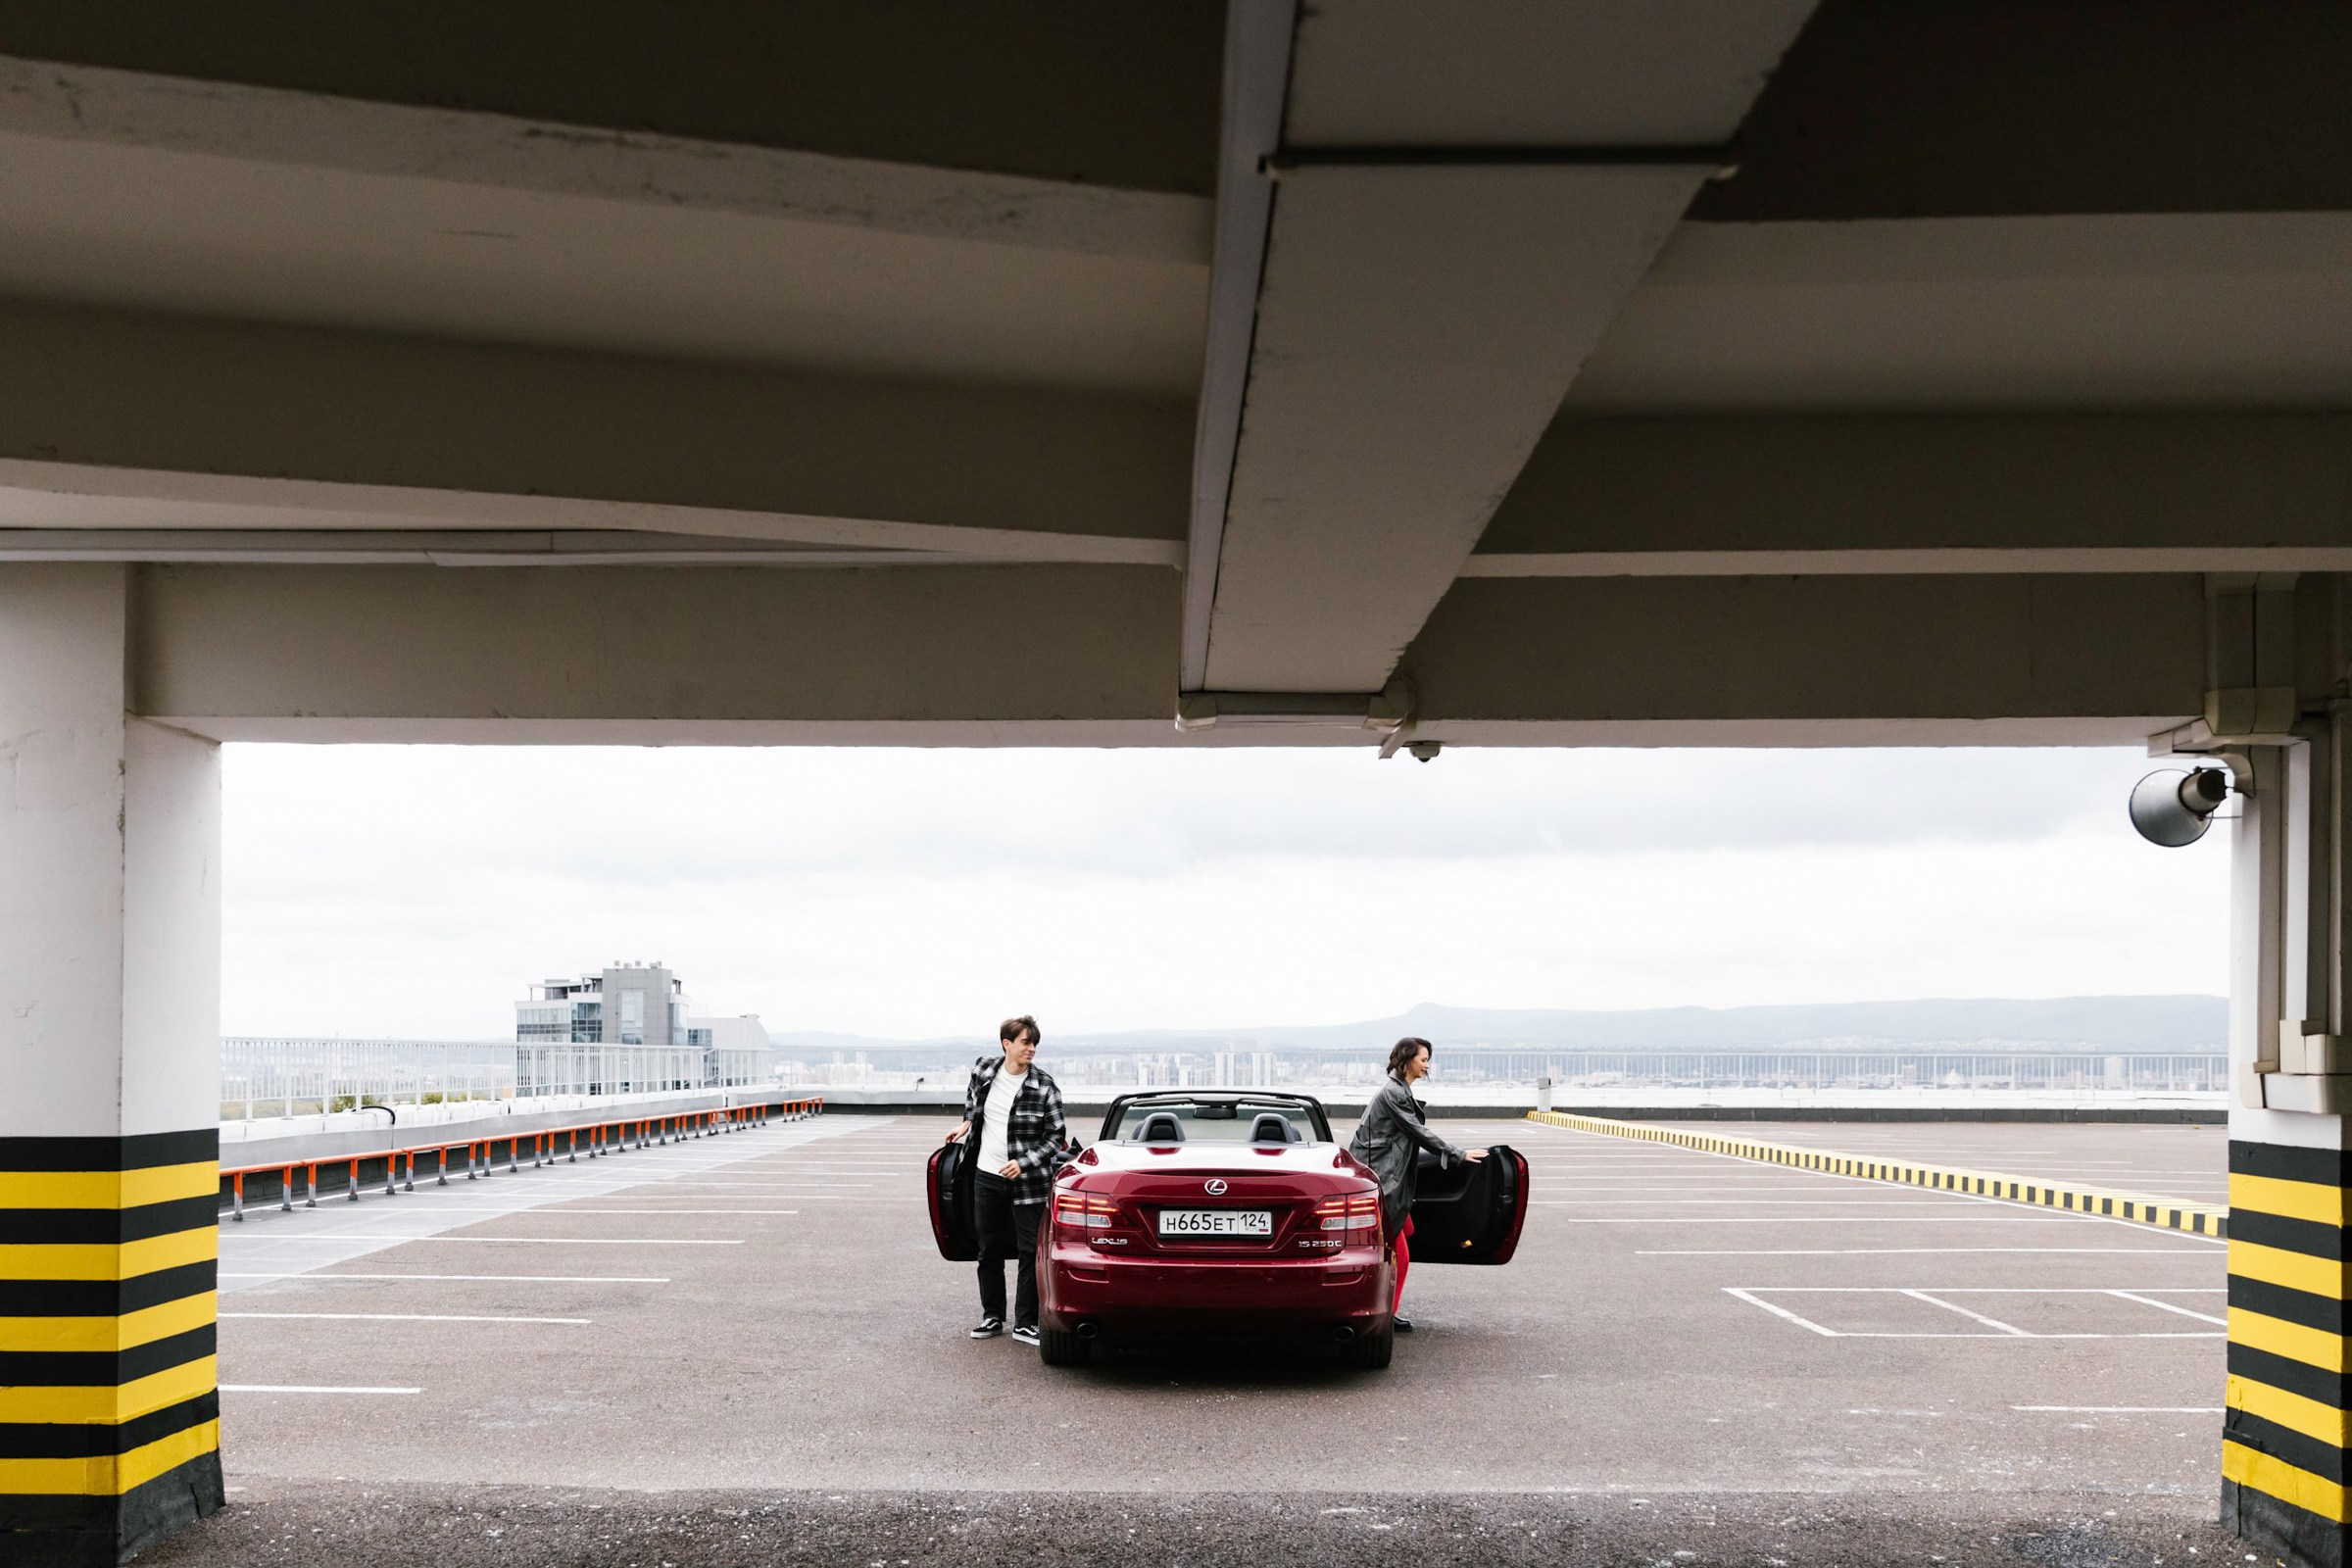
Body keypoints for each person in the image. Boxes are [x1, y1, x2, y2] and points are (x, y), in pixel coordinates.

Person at [943, 1014, 1066, 1347]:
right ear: (1006, 1044)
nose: (1032, 1048)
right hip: (986, 1176)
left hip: (1028, 1181)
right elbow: (973, 1100)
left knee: (1029, 1252)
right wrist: (967, 1124)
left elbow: (1056, 1138)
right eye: (1026, 1042)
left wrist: (1023, 1163)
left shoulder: (1044, 1086)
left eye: (1035, 1043)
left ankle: (1025, 1323)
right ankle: (992, 1316)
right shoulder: (984, 1069)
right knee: (989, 1250)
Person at [1348, 1036, 1485, 1334]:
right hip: (1382, 1180)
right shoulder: (1394, 1093)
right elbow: (1418, 1131)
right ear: (1407, 1059)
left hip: (1385, 1176)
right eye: (1423, 1060)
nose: (1427, 1066)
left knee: (1406, 1230)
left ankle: (1385, 1306)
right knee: (1402, 1253)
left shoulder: (1399, 1089)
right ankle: (1388, 1314)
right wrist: (1457, 1154)